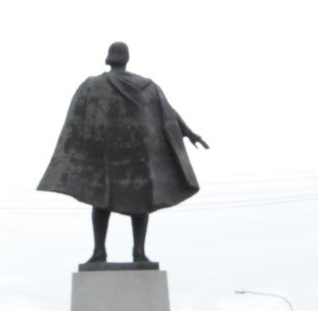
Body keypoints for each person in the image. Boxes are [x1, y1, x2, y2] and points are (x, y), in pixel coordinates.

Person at [37, 41, 209, 266]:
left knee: (101, 202)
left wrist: (72, 152)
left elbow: (76, 122)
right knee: (140, 203)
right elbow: (168, 115)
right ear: (127, 59)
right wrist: (188, 132)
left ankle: (100, 252)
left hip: (108, 154)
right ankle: (139, 252)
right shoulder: (147, 86)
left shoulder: (93, 84)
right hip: (139, 155)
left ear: (108, 58)